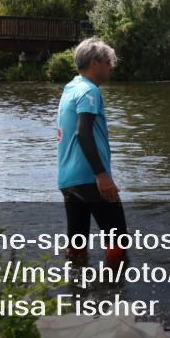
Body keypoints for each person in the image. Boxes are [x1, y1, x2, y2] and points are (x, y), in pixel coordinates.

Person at [56, 38, 127, 267]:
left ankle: (77, 293)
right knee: (118, 240)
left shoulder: (71, 88)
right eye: (108, 62)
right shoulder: (89, 92)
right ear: (95, 63)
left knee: (77, 244)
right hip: (90, 178)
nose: (111, 67)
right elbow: (83, 133)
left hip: (68, 179)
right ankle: (115, 290)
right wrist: (102, 175)